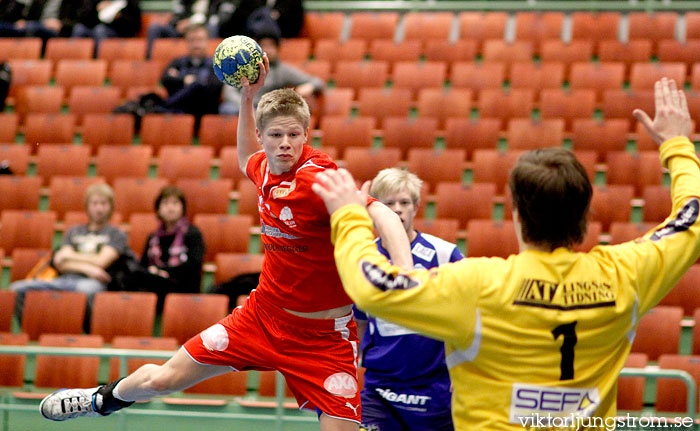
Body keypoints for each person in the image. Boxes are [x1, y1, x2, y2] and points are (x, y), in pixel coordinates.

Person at [39, 53, 411, 431]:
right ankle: (99, 399)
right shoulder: (263, 166)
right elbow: (246, 155)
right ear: (264, 136)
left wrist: (405, 271)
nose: (285, 144)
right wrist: (248, 98)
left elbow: (382, 214)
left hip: (323, 339)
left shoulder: (318, 178)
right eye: (276, 135)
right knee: (164, 379)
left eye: (294, 135)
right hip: (262, 318)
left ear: (306, 134)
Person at [311, 78, 700, 430]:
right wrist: (678, 145)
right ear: (585, 213)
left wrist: (350, 215)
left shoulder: (479, 286)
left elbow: (370, 285)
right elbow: (691, 221)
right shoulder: (625, 275)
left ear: (515, 212)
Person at [355, 168, 462, 431]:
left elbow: (466, 319)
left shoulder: (445, 254)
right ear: (375, 209)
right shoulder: (365, 259)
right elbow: (360, 323)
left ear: (416, 206)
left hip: (434, 388)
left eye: (404, 202)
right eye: (388, 203)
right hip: (380, 387)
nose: (397, 210)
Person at [10, 183, 133, 323]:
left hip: (93, 282)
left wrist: (71, 257)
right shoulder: (73, 231)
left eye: (103, 203)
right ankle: (31, 329)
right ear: (87, 206)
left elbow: (101, 261)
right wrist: (88, 268)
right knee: (17, 289)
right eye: (95, 203)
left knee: (86, 291)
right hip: (65, 279)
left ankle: (82, 334)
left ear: (111, 206)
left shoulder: (116, 234)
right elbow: (59, 262)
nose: (99, 208)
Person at [127, 185, 205, 311]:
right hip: (155, 282)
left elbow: (194, 266)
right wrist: (157, 273)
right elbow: (143, 265)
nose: (170, 207)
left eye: (175, 203)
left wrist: (164, 272)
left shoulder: (192, 233)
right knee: (132, 275)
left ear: (182, 208)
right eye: (165, 203)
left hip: (181, 286)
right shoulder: (152, 237)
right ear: (158, 209)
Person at [219, 22, 324, 115]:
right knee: (227, 109)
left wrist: (310, 86)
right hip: (241, 106)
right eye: (263, 46)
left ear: (277, 49)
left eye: (271, 46)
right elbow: (228, 91)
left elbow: (318, 81)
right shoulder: (244, 66)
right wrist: (246, 106)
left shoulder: (282, 70)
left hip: (266, 110)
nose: (267, 50)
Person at [159, 23, 222, 120]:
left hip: (205, 110)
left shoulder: (216, 64)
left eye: (200, 40)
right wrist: (184, 80)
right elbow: (165, 80)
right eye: (192, 40)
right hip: (180, 110)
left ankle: (164, 107)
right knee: (196, 85)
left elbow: (215, 86)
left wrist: (182, 79)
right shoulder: (177, 62)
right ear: (186, 42)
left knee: (196, 86)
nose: (196, 44)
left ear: (207, 41)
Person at [71, 0, 142, 54]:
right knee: (79, 28)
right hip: (95, 29)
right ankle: (74, 59)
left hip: (118, 33)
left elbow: (135, 26)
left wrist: (119, 17)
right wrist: (96, 9)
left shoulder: (129, 2)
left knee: (100, 30)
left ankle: (99, 59)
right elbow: (84, 19)